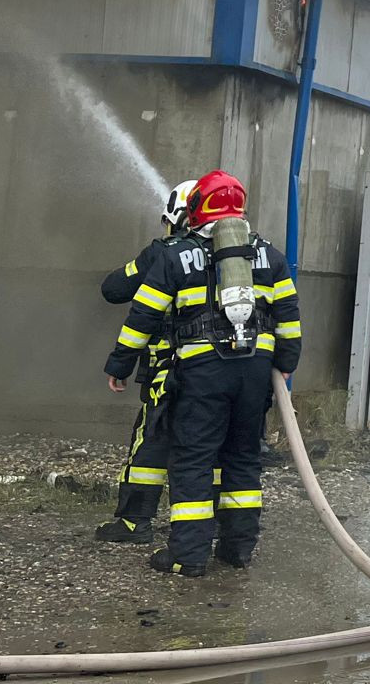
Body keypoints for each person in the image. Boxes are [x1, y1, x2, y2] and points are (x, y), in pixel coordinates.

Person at [106, 169, 302, 576]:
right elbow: (288, 316)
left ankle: (188, 555)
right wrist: (284, 365)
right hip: (255, 372)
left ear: (196, 208)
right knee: (243, 459)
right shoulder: (270, 254)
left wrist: (120, 364)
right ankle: (237, 550)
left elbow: (142, 315)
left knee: (193, 459)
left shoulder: (175, 255)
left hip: (202, 371)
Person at [94, 179, 197, 544]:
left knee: (151, 441)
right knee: (208, 447)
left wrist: (120, 363)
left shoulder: (164, 254)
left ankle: (135, 522)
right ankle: (213, 530)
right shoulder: (233, 257)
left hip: (167, 371)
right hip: (219, 373)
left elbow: (114, 289)